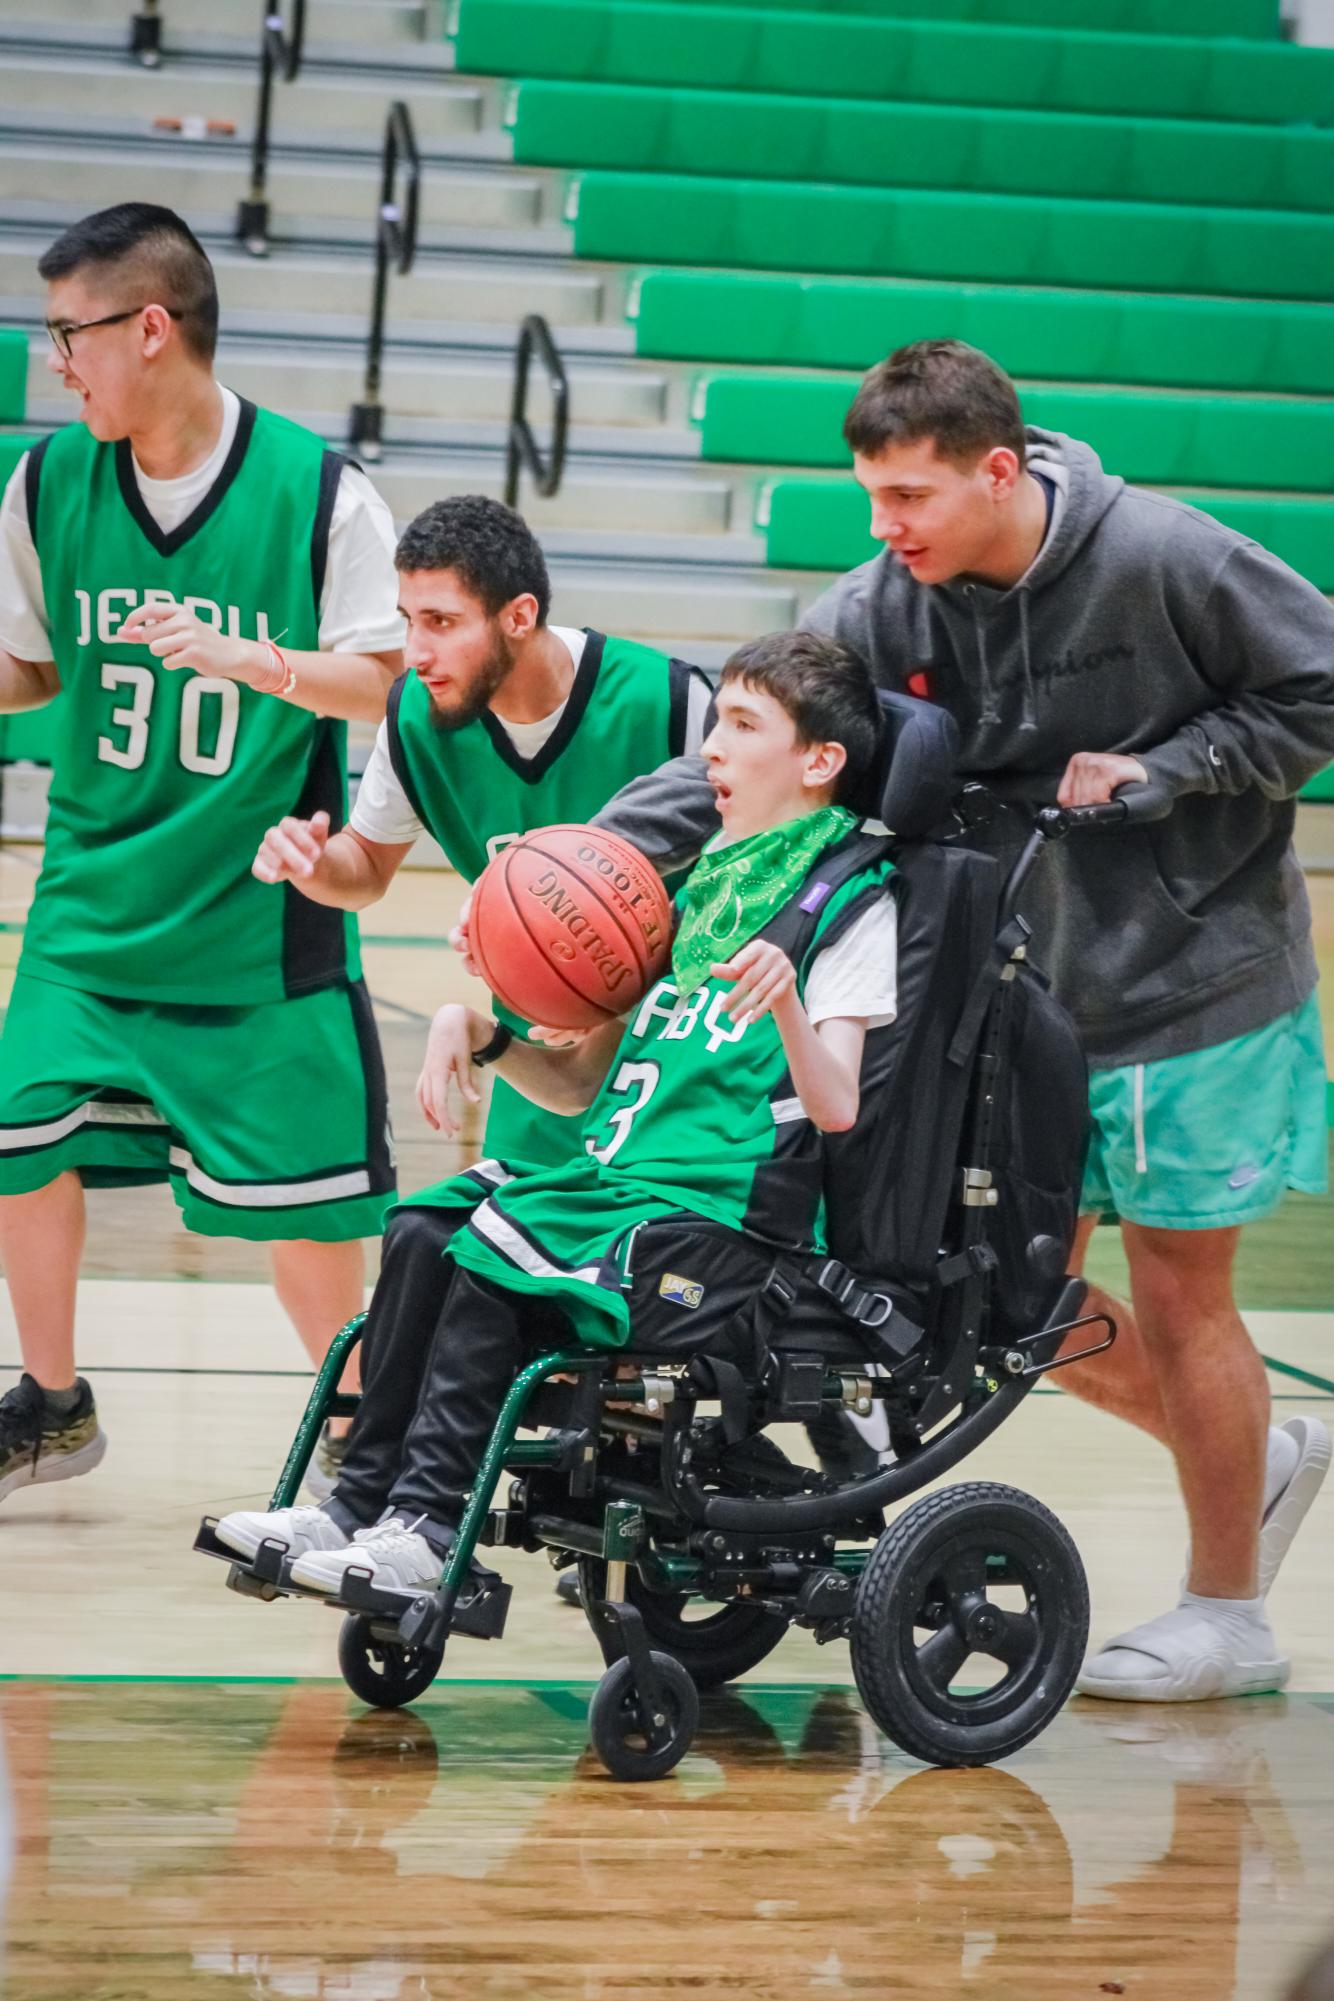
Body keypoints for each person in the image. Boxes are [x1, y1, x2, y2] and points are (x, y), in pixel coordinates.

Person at [602, 337, 1334, 1703]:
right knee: (1016, 1304)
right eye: (871, 497)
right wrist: (589, 856)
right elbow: (744, 750)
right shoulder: (881, 602)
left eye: (910, 498)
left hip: (1197, 983)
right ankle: (1241, 1451)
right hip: (1018, 1002)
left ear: (998, 471)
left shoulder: (1166, 559)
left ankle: (1226, 1611)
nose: (883, 530)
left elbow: (1319, 685)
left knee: (1182, 1300)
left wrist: (1172, 770)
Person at [212, 629, 899, 1590]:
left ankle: (427, 1525)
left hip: (728, 1227)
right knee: (422, 1224)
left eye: (744, 726)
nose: (710, 748)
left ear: (819, 760)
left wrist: (786, 999)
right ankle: (355, 1504)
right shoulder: (697, 890)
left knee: (501, 1238)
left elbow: (837, 1109)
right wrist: (488, 1037)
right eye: (715, 724)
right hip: (624, 1187)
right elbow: (584, 1087)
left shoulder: (851, 905)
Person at [0, 203, 405, 1507]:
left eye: (70, 334)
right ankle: (52, 1403)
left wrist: (258, 660)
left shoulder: (321, 493)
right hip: (92, 905)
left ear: (150, 328)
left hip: (256, 912)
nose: (55, 361)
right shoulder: (49, 483)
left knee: (309, 1217)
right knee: (16, 1136)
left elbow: (389, 683)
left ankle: (360, 1437)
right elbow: (27, 668)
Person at [246, 491, 713, 1492]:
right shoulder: (420, 716)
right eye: (406, 621)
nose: (414, 650)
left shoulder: (670, 702)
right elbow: (363, 869)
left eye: (440, 622)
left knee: (639, 1328)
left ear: (518, 616)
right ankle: (426, 1494)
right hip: (539, 1067)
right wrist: (307, 861)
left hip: (670, 1069)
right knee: (492, 1287)